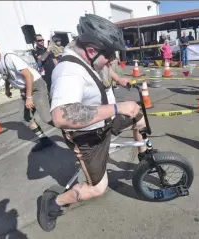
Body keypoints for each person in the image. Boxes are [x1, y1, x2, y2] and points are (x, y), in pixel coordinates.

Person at [38, 14, 147, 232]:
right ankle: (52, 203)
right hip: (87, 137)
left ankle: (144, 156)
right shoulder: (69, 72)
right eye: (110, 55)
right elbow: (62, 115)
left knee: (137, 112)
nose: (112, 60)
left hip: (104, 121)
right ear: (91, 50)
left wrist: (118, 80)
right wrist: (117, 108)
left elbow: (105, 69)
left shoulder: (88, 57)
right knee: (97, 188)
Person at [0, 34, 54, 152]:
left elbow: (28, 76)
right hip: (25, 89)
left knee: (46, 117)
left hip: (35, 86)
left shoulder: (8, 57)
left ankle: (73, 133)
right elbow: (7, 76)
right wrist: (8, 88)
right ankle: (45, 140)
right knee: (27, 118)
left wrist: (29, 97)